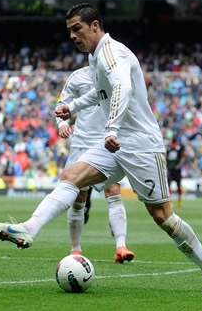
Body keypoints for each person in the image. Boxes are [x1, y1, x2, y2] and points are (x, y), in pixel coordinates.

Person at [0, 3, 202, 293]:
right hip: (113, 144)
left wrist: (111, 127)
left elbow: (122, 88)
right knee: (72, 176)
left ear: (95, 26)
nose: (73, 36)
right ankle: (29, 227)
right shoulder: (96, 57)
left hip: (140, 144)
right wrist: (72, 106)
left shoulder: (113, 53)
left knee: (163, 217)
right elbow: (100, 93)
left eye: (78, 29)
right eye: (70, 31)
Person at [56, 66, 135, 263]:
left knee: (113, 191)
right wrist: (63, 124)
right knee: (79, 196)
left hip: (107, 140)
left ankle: (121, 246)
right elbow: (62, 104)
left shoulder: (117, 74)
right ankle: (75, 250)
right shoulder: (77, 76)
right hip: (82, 143)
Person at [166, 135, 186, 208]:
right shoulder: (169, 147)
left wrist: (179, 165)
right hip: (170, 168)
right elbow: (166, 157)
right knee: (168, 185)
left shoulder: (180, 146)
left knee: (178, 185)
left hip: (177, 169)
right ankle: (170, 201)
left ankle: (179, 200)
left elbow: (183, 157)